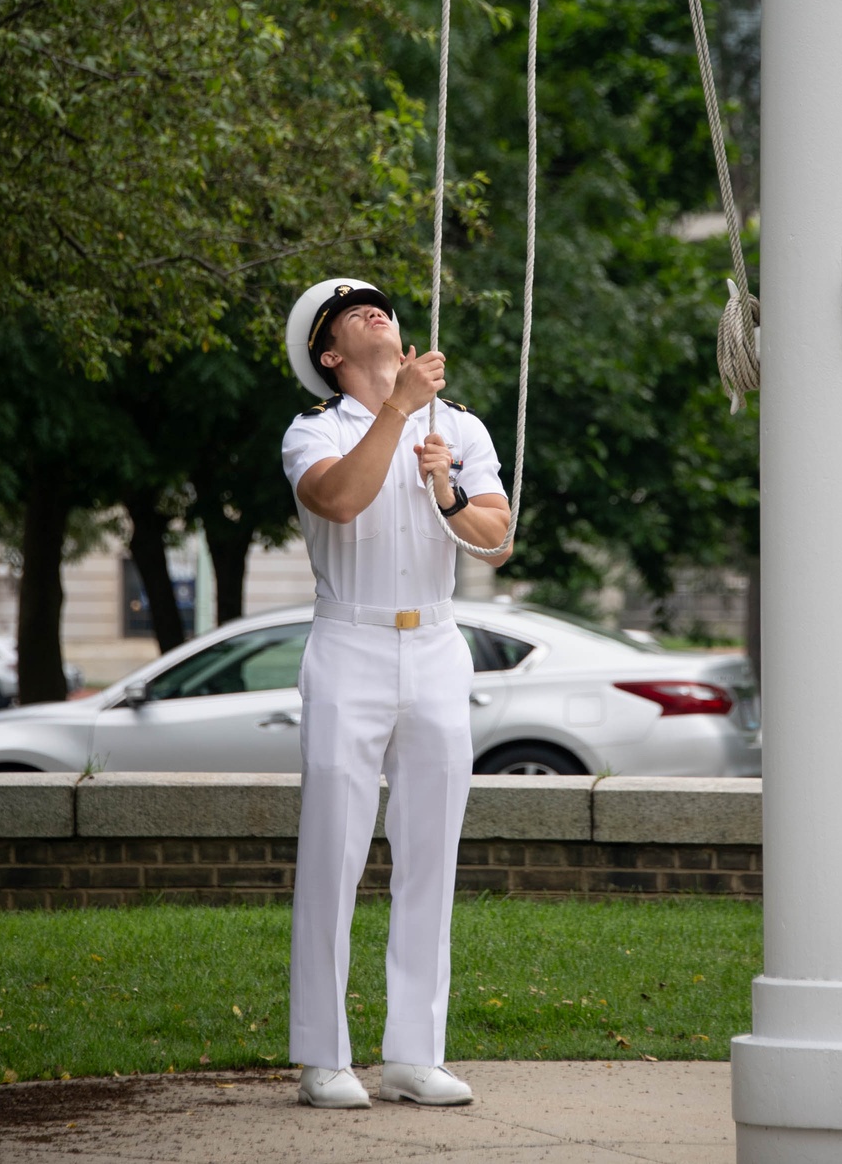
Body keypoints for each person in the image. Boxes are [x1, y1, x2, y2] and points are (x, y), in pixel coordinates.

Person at [282, 277, 512, 1109]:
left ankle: (414, 1053)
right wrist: (398, 413)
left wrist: (445, 484)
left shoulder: (463, 428)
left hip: (439, 645)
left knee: (429, 856)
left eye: (381, 303)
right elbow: (339, 501)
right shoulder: (313, 432)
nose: (375, 309)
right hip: (350, 641)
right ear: (331, 355)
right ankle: (323, 1057)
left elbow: (496, 538)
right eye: (352, 313)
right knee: (334, 850)